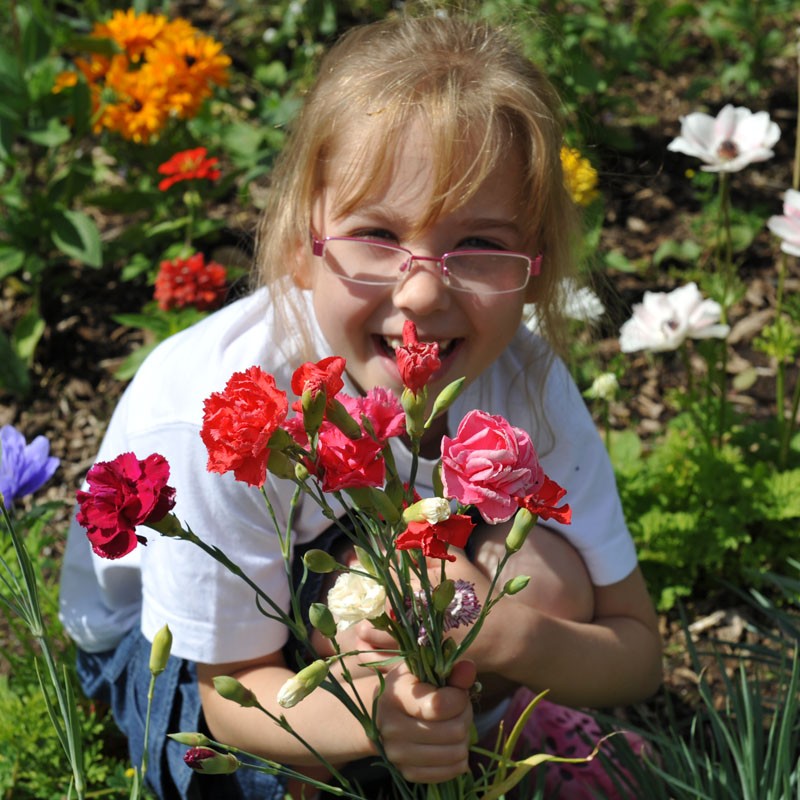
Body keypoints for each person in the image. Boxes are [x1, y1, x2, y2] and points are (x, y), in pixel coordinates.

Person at [59, 12, 662, 800]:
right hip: (197, 659)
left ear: (535, 262)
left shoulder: (523, 376)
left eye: (479, 245)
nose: (420, 291)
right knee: (293, 745)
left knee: (541, 581)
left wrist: (513, 634)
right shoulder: (221, 414)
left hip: (370, 595)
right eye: (376, 233)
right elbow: (230, 691)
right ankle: (406, 753)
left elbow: (636, 652)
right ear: (304, 235)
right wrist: (382, 713)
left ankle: (467, 739)